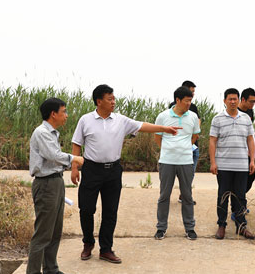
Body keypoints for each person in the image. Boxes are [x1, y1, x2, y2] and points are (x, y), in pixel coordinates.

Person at [71, 84, 180, 264]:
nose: (113, 102)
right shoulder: (85, 120)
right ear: (99, 101)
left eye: (114, 98)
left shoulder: (120, 120)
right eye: (109, 99)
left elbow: (142, 126)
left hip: (113, 171)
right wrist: (74, 168)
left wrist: (165, 129)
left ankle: (106, 249)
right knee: (87, 209)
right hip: (91, 170)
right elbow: (76, 143)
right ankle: (88, 243)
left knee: (110, 211)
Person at [27, 98, 85, 274]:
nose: (66, 115)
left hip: (55, 182)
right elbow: (53, 155)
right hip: (46, 184)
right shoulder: (42, 133)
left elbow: (54, 158)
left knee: (55, 230)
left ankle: (51, 269)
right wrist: (74, 159)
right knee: (43, 232)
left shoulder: (52, 132)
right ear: (53, 114)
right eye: (64, 111)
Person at [153, 86, 201, 240]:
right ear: (177, 100)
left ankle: (190, 228)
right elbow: (157, 137)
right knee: (164, 196)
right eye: (186, 101)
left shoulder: (193, 116)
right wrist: (169, 149)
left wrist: (184, 148)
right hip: (167, 161)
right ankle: (161, 228)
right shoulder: (163, 116)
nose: (189, 104)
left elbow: (194, 136)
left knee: (187, 196)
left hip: (186, 161)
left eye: (190, 101)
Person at [209, 88, 255, 240]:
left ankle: (241, 226)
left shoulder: (246, 119)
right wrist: (213, 162)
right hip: (223, 165)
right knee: (223, 196)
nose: (233, 101)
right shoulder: (217, 119)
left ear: (239, 100)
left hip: (242, 164)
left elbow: (250, 140)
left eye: (235, 99)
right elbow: (212, 141)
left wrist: (252, 160)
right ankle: (221, 225)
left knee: (240, 196)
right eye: (230, 99)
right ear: (224, 101)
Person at [169, 80, 202, 205]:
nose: (193, 95)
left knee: (190, 173)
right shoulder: (172, 107)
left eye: (193, 92)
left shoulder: (193, 107)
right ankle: (167, 196)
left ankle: (185, 195)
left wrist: (194, 133)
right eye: (191, 91)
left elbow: (197, 122)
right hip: (177, 148)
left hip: (193, 146)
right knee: (173, 174)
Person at [238, 88, 255, 197]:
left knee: (251, 176)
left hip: (249, 148)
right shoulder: (236, 112)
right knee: (240, 176)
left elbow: (250, 129)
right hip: (239, 149)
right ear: (243, 99)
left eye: (254, 101)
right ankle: (238, 199)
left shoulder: (250, 111)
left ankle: (240, 197)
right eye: (251, 101)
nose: (253, 104)